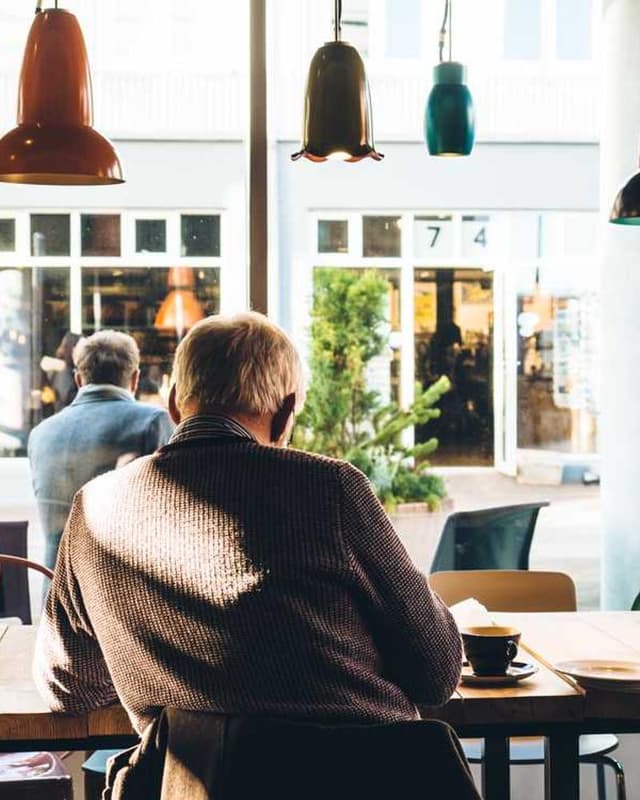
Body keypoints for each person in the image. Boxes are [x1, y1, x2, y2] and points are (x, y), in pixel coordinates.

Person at [33, 312, 462, 739]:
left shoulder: (94, 508)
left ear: (175, 403)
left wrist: (157, 665)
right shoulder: (331, 489)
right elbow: (437, 672)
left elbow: (67, 686)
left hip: (194, 784)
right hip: (367, 778)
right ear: (285, 413)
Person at [28, 330, 174, 572]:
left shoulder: (41, 433)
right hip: (120, 592)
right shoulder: (152, 422)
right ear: (135, 379)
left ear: (78, 380)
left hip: (56, 591)